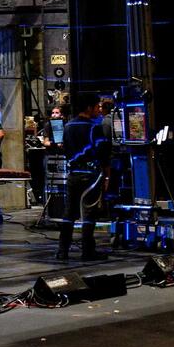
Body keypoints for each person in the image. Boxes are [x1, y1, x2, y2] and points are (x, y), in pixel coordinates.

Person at [57, 92, 111, 262]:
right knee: (89, 213)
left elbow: (65, 150)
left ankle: (62, 250)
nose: (98, 110)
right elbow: (103, 153)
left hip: (73, 174)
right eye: (97, 106)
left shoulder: (67, 127)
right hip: (91, 176)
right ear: (89, 107)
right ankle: (88, 251)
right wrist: (107, 177)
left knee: (69, 213)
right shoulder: (95, 127)